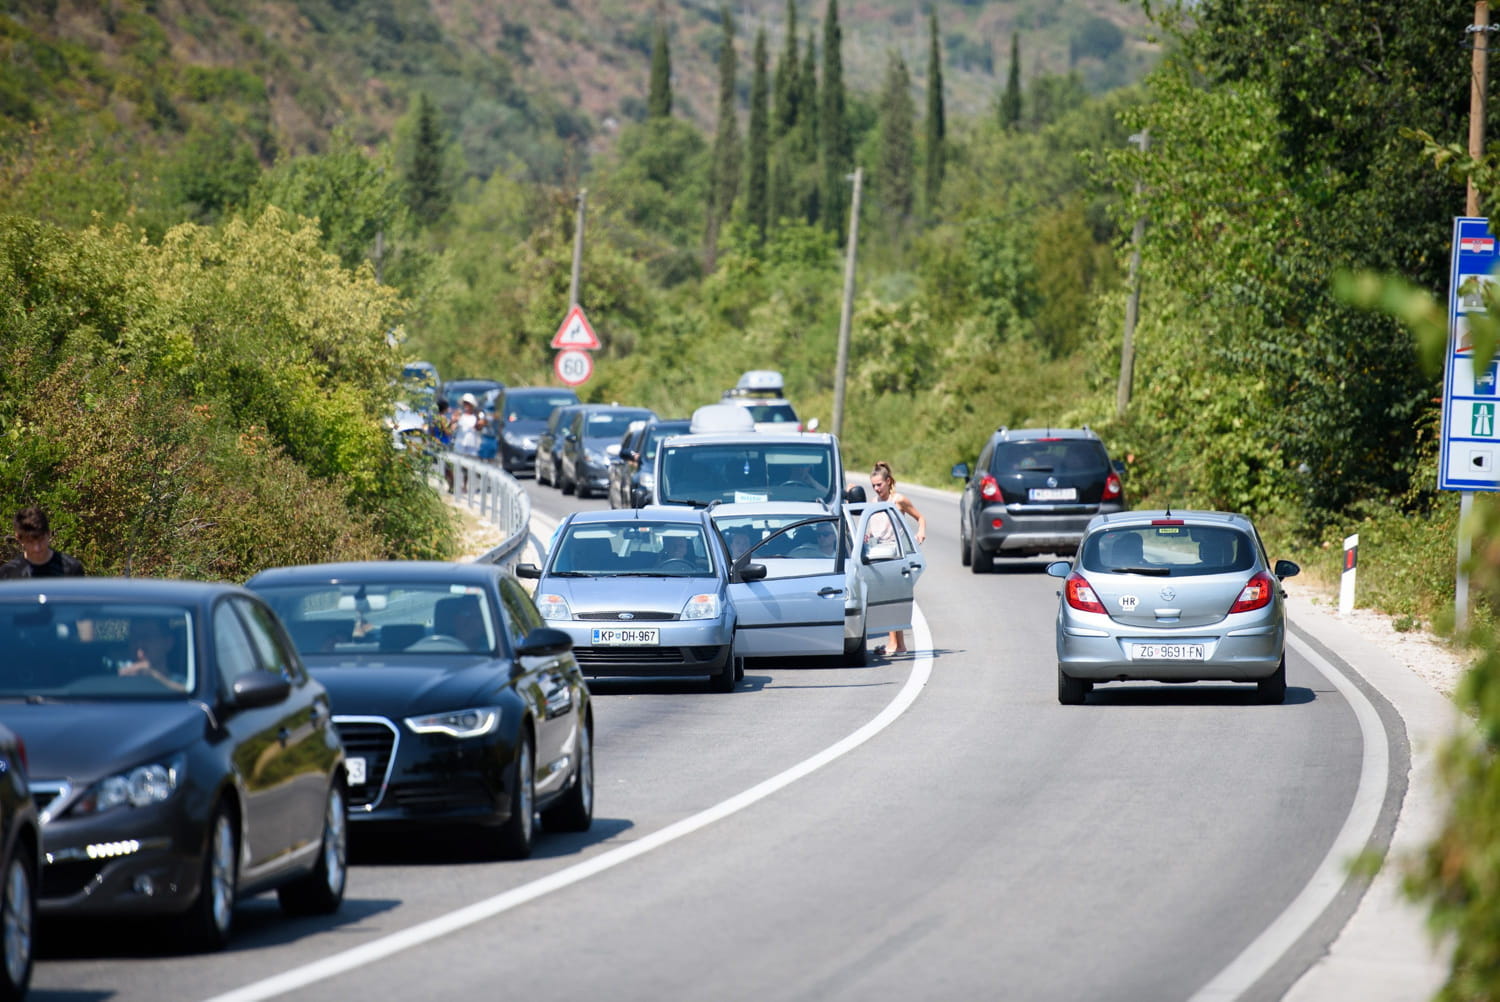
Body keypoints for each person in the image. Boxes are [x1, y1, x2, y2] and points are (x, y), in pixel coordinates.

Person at [869, 462, 927, 656]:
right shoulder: (874, 502)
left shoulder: (898, 500)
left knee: (891, 599)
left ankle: (895, 645)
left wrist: (921, 532)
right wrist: (868, 534)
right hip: (880, 554)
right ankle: (897, 644)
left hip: (896, 555)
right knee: (888, 600)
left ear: (888, 481)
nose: (877, 489)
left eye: (879, 485)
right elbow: (873, 527)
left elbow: (920, 518)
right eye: (874, 486)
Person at [0, 506, 85, 578]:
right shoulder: (8, 574)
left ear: (48, 534)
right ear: (19, 539)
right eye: (30, 542)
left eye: (41, 540)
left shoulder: (71, 568)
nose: (37, 548)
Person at [119, 617, 187, 691]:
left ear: (168, 643)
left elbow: (186, 692)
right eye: (134, 637)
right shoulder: (117, 683)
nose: (139, 643)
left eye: (146, 636)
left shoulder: (185, 683)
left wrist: (154, 677)